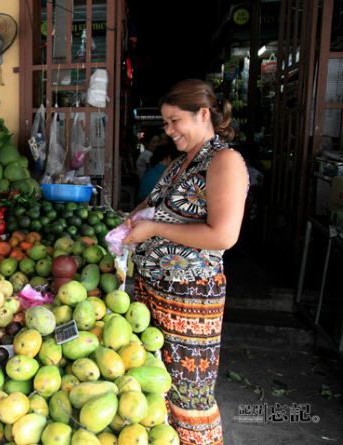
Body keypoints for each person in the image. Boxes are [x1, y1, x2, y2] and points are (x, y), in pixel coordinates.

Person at [123, 79, 248, 445]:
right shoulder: (181, 162)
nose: (169, 130)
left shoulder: (225, 161)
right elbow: (154, 207)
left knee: (189, 396)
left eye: (175, 120)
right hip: (153, 294)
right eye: (165, 123)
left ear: (203, 114)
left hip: (189, 300)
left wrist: (152, 230)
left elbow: (223, 236)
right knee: (156, 390)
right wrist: (127, 223)